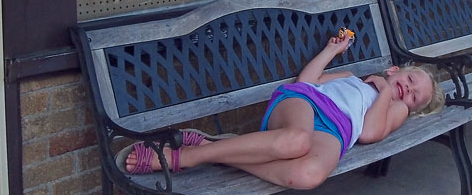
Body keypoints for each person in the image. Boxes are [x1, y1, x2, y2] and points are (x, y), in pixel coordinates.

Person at [120, 31, 445, 190]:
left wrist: (387, 93)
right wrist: (331, 50)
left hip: (335, 132)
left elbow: (371, 133)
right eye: (413, 81)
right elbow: (307, 82)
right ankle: (185, 158)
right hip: (303, 103)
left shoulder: (394, 105)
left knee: (307, 175)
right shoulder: (350, 77)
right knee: (295, 142)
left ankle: (212, 147)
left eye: (415, 98)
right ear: (397, 69)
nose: (411, 91)